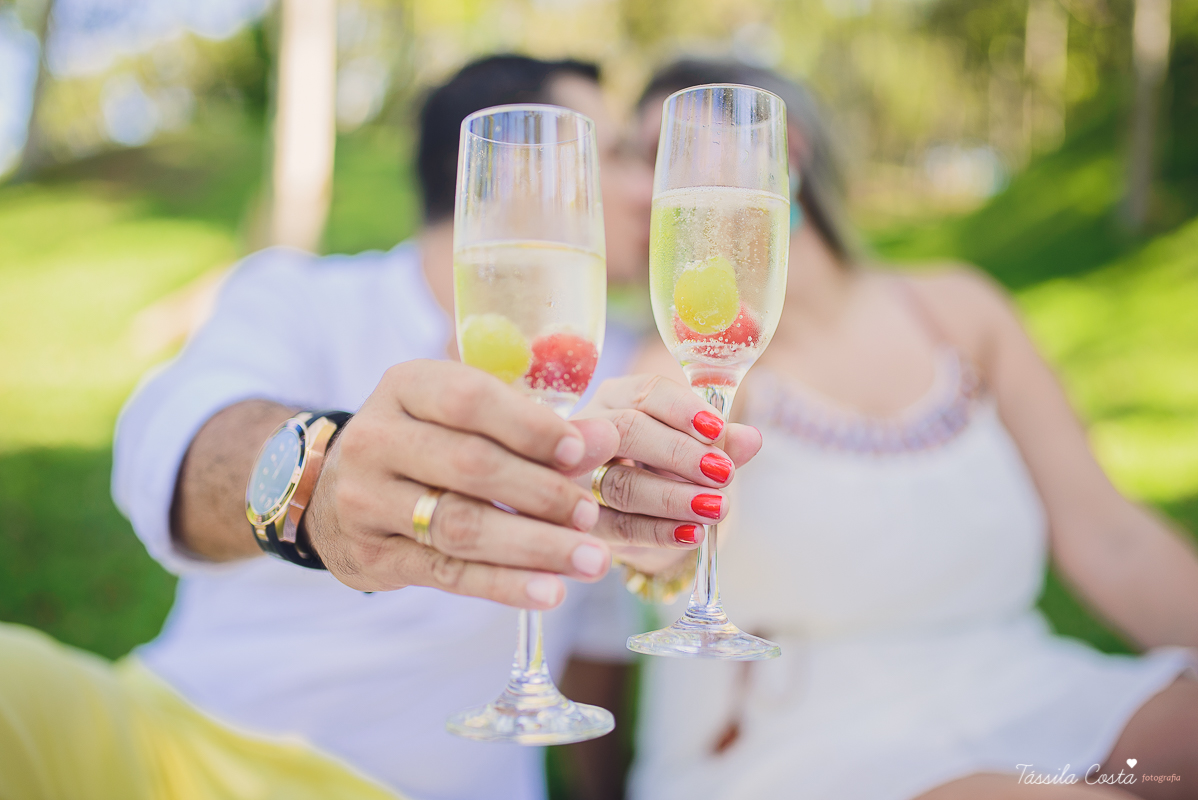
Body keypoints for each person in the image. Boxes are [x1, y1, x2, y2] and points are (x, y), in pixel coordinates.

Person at [0, 55, 764, 800]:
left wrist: (654, 542)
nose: (643, 191)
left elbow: (596, 640)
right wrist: (321, 478)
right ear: (509, 172)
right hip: (165, 746)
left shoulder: (607, 373)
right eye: (615, 158)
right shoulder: (304, 295)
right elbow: (166, 439)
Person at [625, 60, 1198, 800]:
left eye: (663, 153)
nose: (643, 189)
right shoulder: (685, 357)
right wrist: (653, 523)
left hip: (1021, 682)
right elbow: (660, 530)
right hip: (804, 735)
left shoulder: (961, 310)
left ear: (784, 153)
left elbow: (1113, 536)